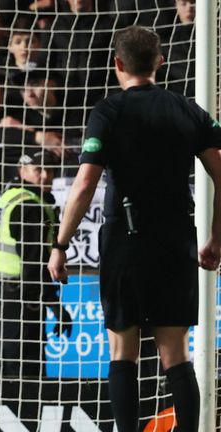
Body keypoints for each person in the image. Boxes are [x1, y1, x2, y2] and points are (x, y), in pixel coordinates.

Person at [47, 26, 221, 432]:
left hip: (125, 241)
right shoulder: (187, 109)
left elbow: (86, 184)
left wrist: (61, 244)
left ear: (118, 64)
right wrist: (216, 236)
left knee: (122, 353)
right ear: (160, 62)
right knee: (176, 354)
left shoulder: (108, 111)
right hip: (176, 241)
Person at [0, 150, 72, 377]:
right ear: (22, 171)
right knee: (25, 374)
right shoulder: (29, 205)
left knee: (4, 368)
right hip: (21, 300)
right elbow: (34, 264)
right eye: (38, 169)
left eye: (50, 170)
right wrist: (55, 306)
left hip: (2, 294)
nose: (46, 175)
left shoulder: (10, 197)